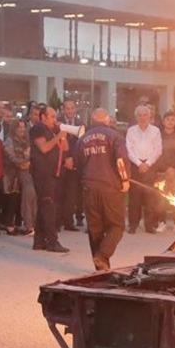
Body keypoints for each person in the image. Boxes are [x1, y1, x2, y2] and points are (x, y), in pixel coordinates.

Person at [75, 108, 130, 270]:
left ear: (93, 120)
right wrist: (125, 180)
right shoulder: (115, 137)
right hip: (110, 187)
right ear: (107, 120)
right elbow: (121, 161)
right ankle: (103, 255)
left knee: (95, 228)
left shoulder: (82, 139)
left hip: (89, 187)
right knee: (117, 225)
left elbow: (78, 164)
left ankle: (100, 267)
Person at [29, 106, 69, 253]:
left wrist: (61, 135)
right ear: (43, 117)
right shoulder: (38, 128)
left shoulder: (53, 130)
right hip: (42, 173)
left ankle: (39, 241)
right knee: (49, 207)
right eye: (52, 116)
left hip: (53, 173)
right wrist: (58, 137)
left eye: (55, 116)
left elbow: (64, 148)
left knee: (44, 206)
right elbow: (44, 148)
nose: (55, 119)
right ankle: (52, 241)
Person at [126, 104, 165, 234]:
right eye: (140, 115)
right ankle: (133, 225)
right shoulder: (131, 130)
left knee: (150, 197)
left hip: (150, 166)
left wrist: (147, 164)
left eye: (145, 115)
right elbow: (128, 149)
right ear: (136, 117)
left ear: (150, 116)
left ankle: (149, 225)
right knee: (134, 197)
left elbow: (158, 149)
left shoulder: (155, 131)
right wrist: (138, 163)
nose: (143, 117)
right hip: (135, 165)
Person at [3, 119, 35, 236]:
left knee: (25, 199)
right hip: (12, 174)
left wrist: (28, 162)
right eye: (19, 127)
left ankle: (22, 224)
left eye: (23, 127)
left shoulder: (26, 141)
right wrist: (22, 163)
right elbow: (10, 156)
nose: (21, 129)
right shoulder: (9, 140)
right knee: (12, 200)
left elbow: (31, 155)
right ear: (14, 128)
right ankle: (10, 225)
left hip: (25, 174)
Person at [56, 99, 84, 231]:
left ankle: (69, 222)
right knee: (59, 192)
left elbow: (82, 144)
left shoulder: (81, 124)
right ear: (63, 110)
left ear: (75, 109)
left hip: (75, 163)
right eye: (67, 108)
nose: (70, 111)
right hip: (61, 162)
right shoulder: (57, 123)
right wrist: (66, 159)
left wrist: (73, 159)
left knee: (72, 194)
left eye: (72, 108)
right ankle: (58, 220)